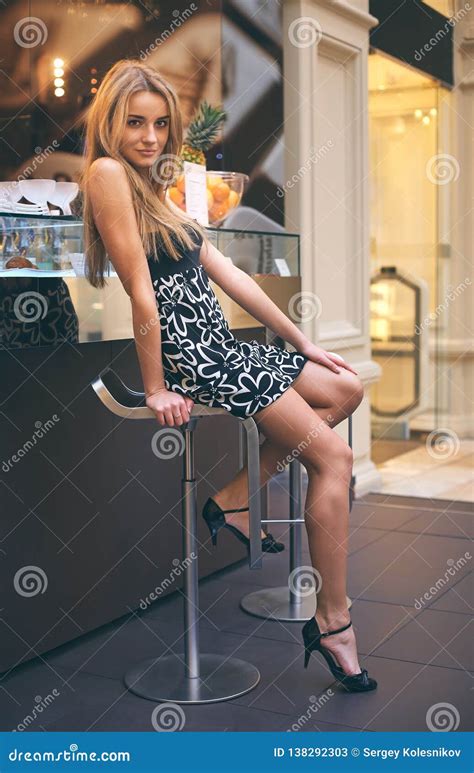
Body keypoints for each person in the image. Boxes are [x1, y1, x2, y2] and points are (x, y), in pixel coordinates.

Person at [79, 58, 377, 694]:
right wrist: (157, 384)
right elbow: (141, 291)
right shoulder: (108, 174)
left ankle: (236, 499)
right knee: (332, 461)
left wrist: (302, 342)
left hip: (223, 344)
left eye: (160, 124)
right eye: (135, 123)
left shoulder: (151, 184)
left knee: (345, 388)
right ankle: (333, 622)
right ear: (111, 122)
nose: (150, 137)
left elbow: (229, 274)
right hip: (197, 354)